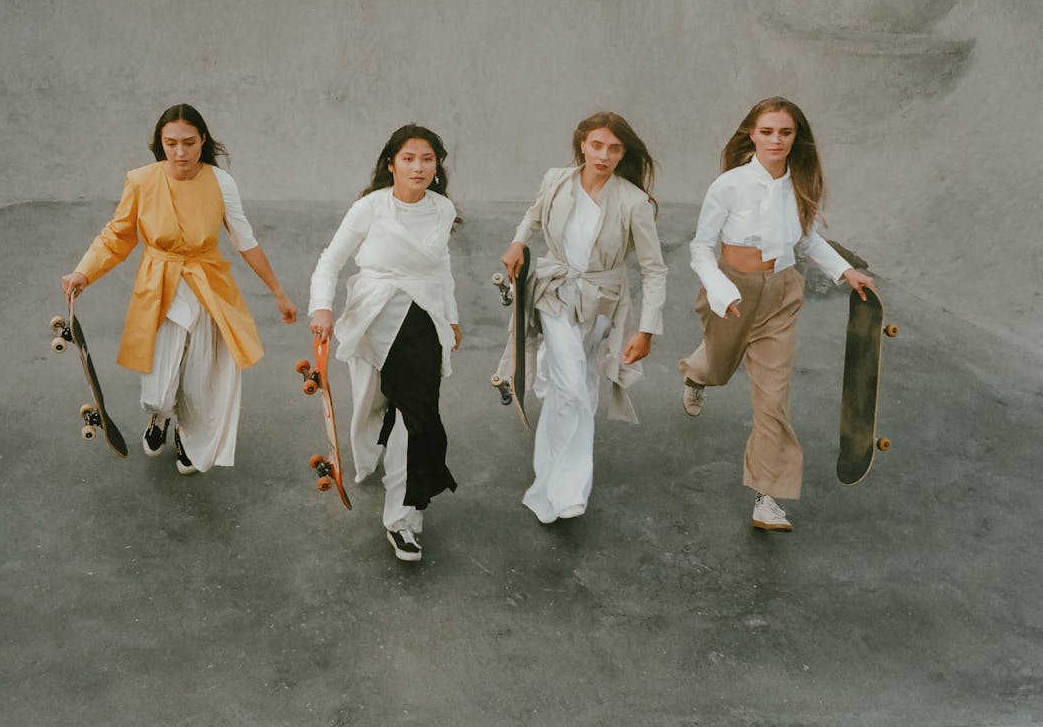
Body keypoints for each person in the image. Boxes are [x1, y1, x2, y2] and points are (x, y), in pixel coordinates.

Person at [60, 103, 297, 475]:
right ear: (161, 143)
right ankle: (160, 415)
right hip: (159, 287)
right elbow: (117, 236)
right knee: (157, 389)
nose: (180, 152)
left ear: (203, 140)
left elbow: (245, 241)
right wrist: (83, 273)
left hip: (208, 287)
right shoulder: (141, 181)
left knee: (200, 380)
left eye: (189, 142)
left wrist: (278, 292)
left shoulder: (221, 183)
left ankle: (188, 433)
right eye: (171, 143)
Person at [679, 96, 876, 531]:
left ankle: (765, 497)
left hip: (782, 295)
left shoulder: (800, 185)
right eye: (767, 131)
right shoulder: (729, 185)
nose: (776, 140)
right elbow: (700, 249)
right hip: (732, 292)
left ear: (795, 137)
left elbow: (807, 240)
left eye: (785, 132)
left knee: (772, 398)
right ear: (751, 133)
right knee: (717, 367)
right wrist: (720, 288)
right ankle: (696, 375)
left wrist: (845, 271)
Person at [499, 112, 668, 524]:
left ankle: (550, 482)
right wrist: (519, 242)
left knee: (580, 385)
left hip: (602, 302)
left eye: (614, 148)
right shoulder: (557, 179)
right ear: (582, 144)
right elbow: (534, 215)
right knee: (573, 383)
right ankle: (570, 491)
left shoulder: (633, 202)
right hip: (554, 292)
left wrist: (647, 330)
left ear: (623, 153)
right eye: (596, 145)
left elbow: (654, 269)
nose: (604, 155)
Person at [308, 124, 460, 562]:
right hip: (372, 317)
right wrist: (322, 308)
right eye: (408, 159)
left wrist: (451, 318)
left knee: (418, 416)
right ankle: (372, 455)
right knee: (372, 406)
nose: (418, 167)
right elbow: (330, 261)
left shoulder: (442, 209)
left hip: (423, 319)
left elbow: (441, 268)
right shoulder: (369, 208)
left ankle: (403, 519)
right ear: (391, 164)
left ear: (437, 166)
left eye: (427, 159)